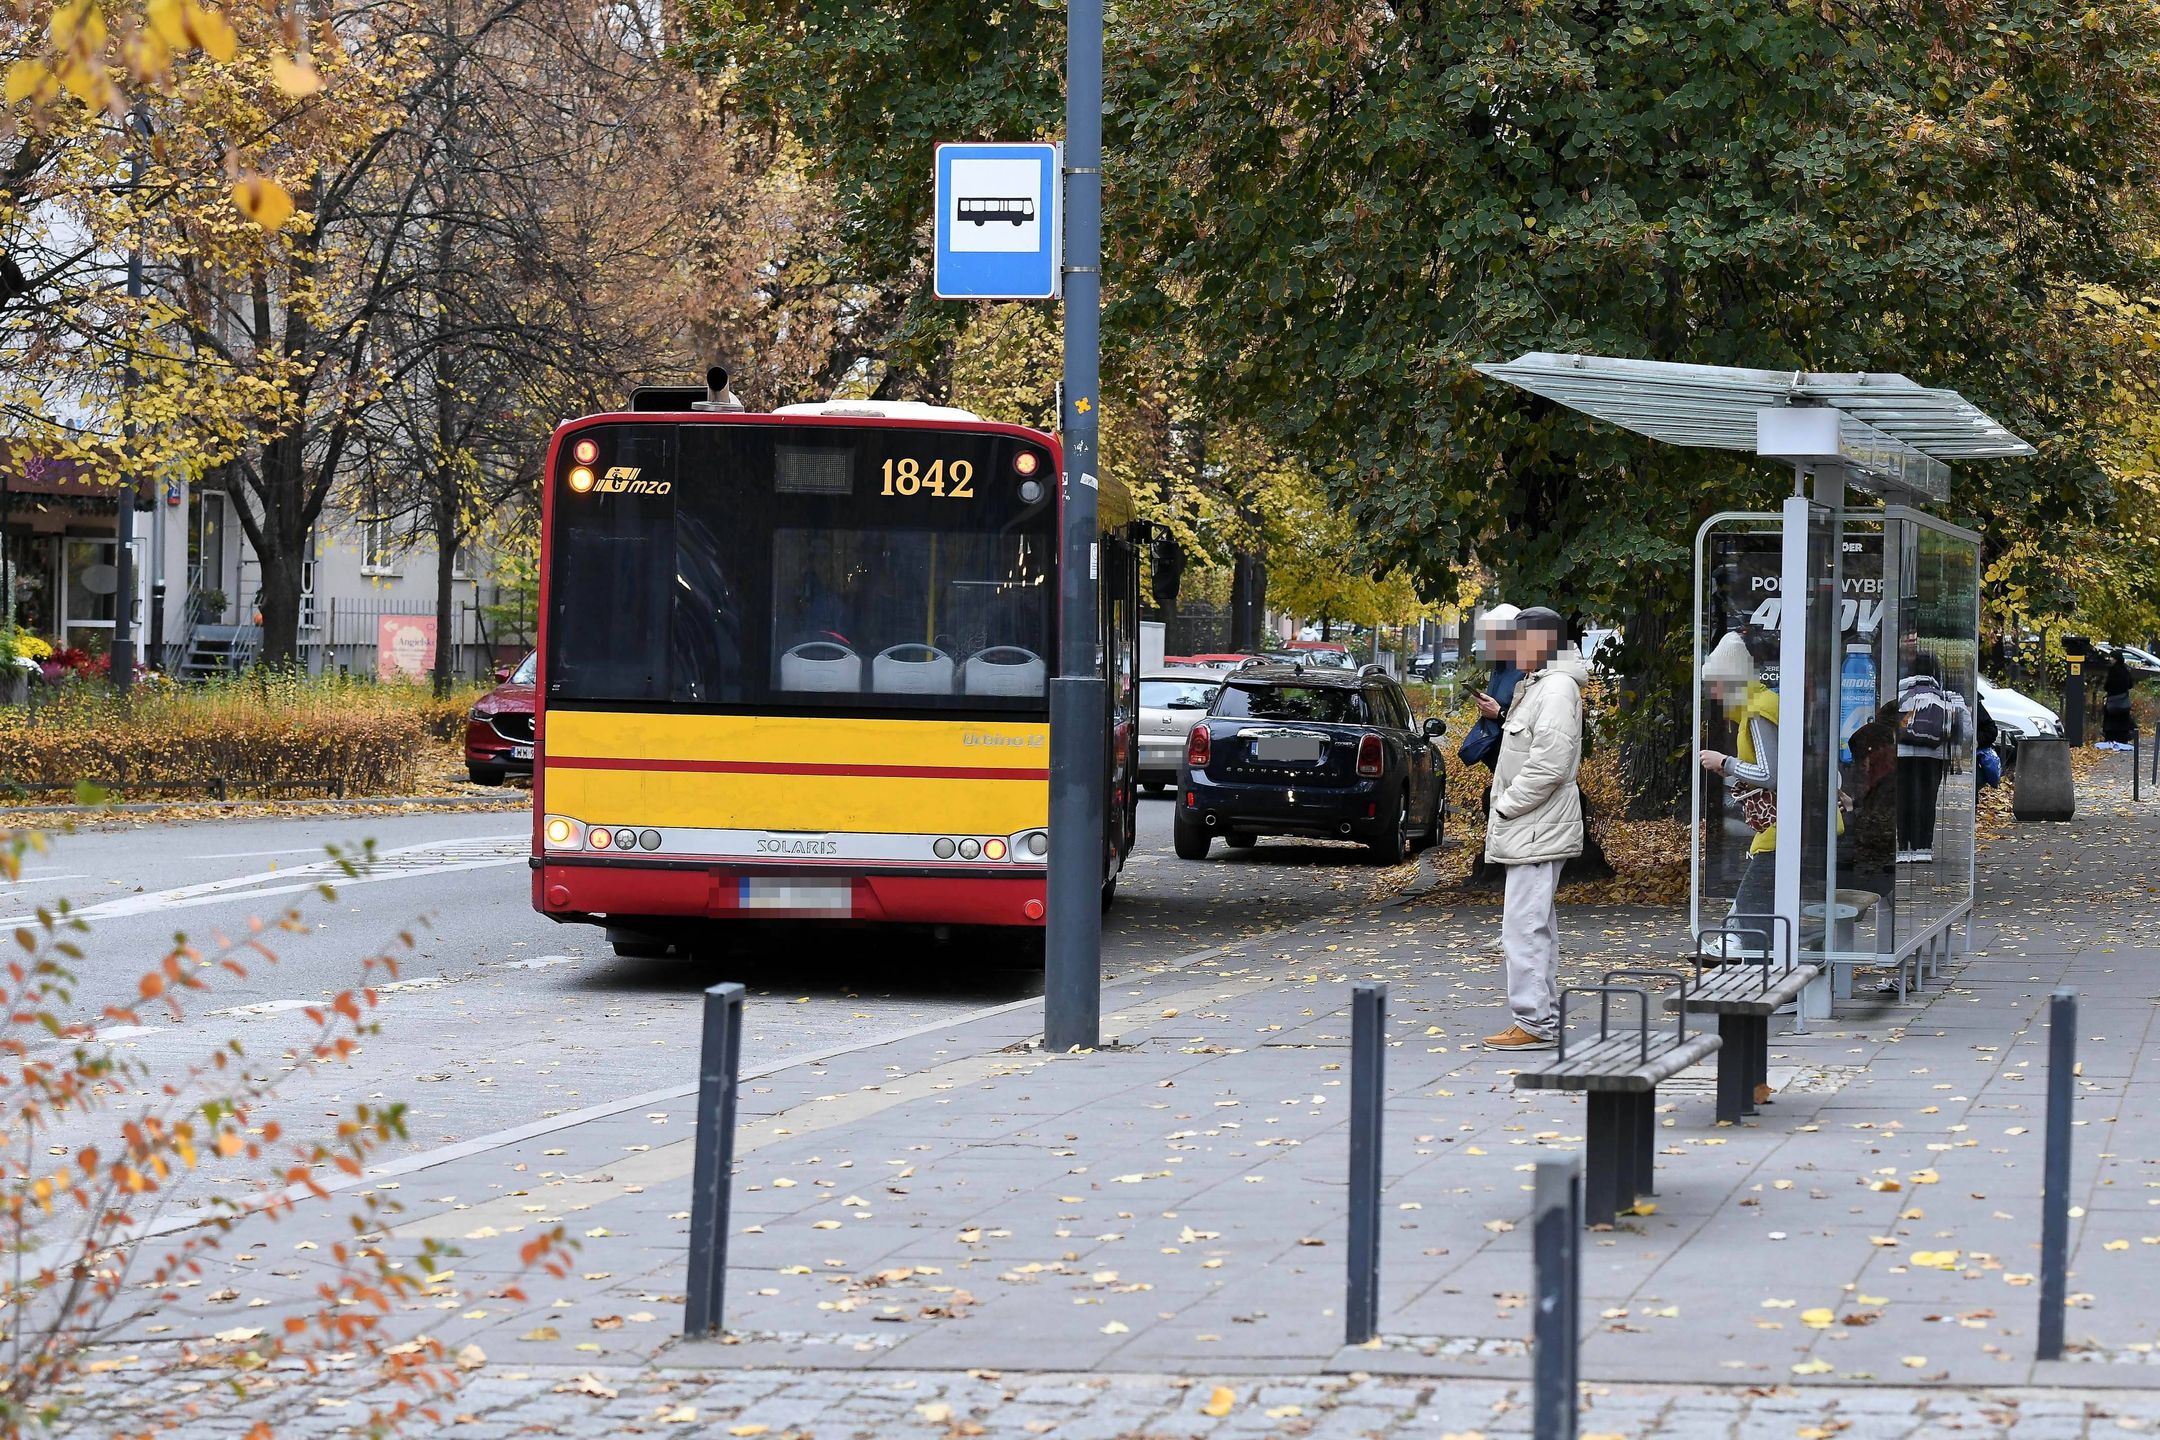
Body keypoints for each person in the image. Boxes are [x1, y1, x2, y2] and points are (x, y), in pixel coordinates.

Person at [1481, 607, 1589, 1051]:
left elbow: (1548, 766)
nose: (1510, 651)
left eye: (1517, 641)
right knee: (1533, 923)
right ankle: (1539, 1018)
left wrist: (1506, 807)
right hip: (1533, 825)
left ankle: (1534, 1023)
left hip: (1534, 826)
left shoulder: (1557, 688)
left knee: (1523, 926)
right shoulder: (1542, 685)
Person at [1696, 629, 1779, 951]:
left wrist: (1726, 762)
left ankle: (1740, 942)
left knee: (1755, 887)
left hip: (1784, 824)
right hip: (1784, 822)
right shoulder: (1759, 706)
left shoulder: (1758, 712)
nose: (1713, 694)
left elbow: (1770, 774)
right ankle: (1732, 937)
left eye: (1715, 684)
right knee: (1755, 885)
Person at [1895, 654, 1963, 862]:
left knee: (1904, 799)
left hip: (1903, 754)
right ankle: (1923, 848)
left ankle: (1903, 848)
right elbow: (1965, 729)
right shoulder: (1947, 696)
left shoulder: (1900, 693)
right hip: (1935, 756)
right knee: (1927, 800)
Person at [2102, 652, 2136, 747]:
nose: (2110, 659)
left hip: (2113, 699)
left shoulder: (2113, 670)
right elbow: (2130, 684)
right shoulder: (2125, 669)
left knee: (2111, 720)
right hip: (2123, 699)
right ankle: (2123, 737)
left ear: (2116, 659)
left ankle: (2111, 738)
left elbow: (2107, 686)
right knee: (2123, 719)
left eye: (2112, 658)